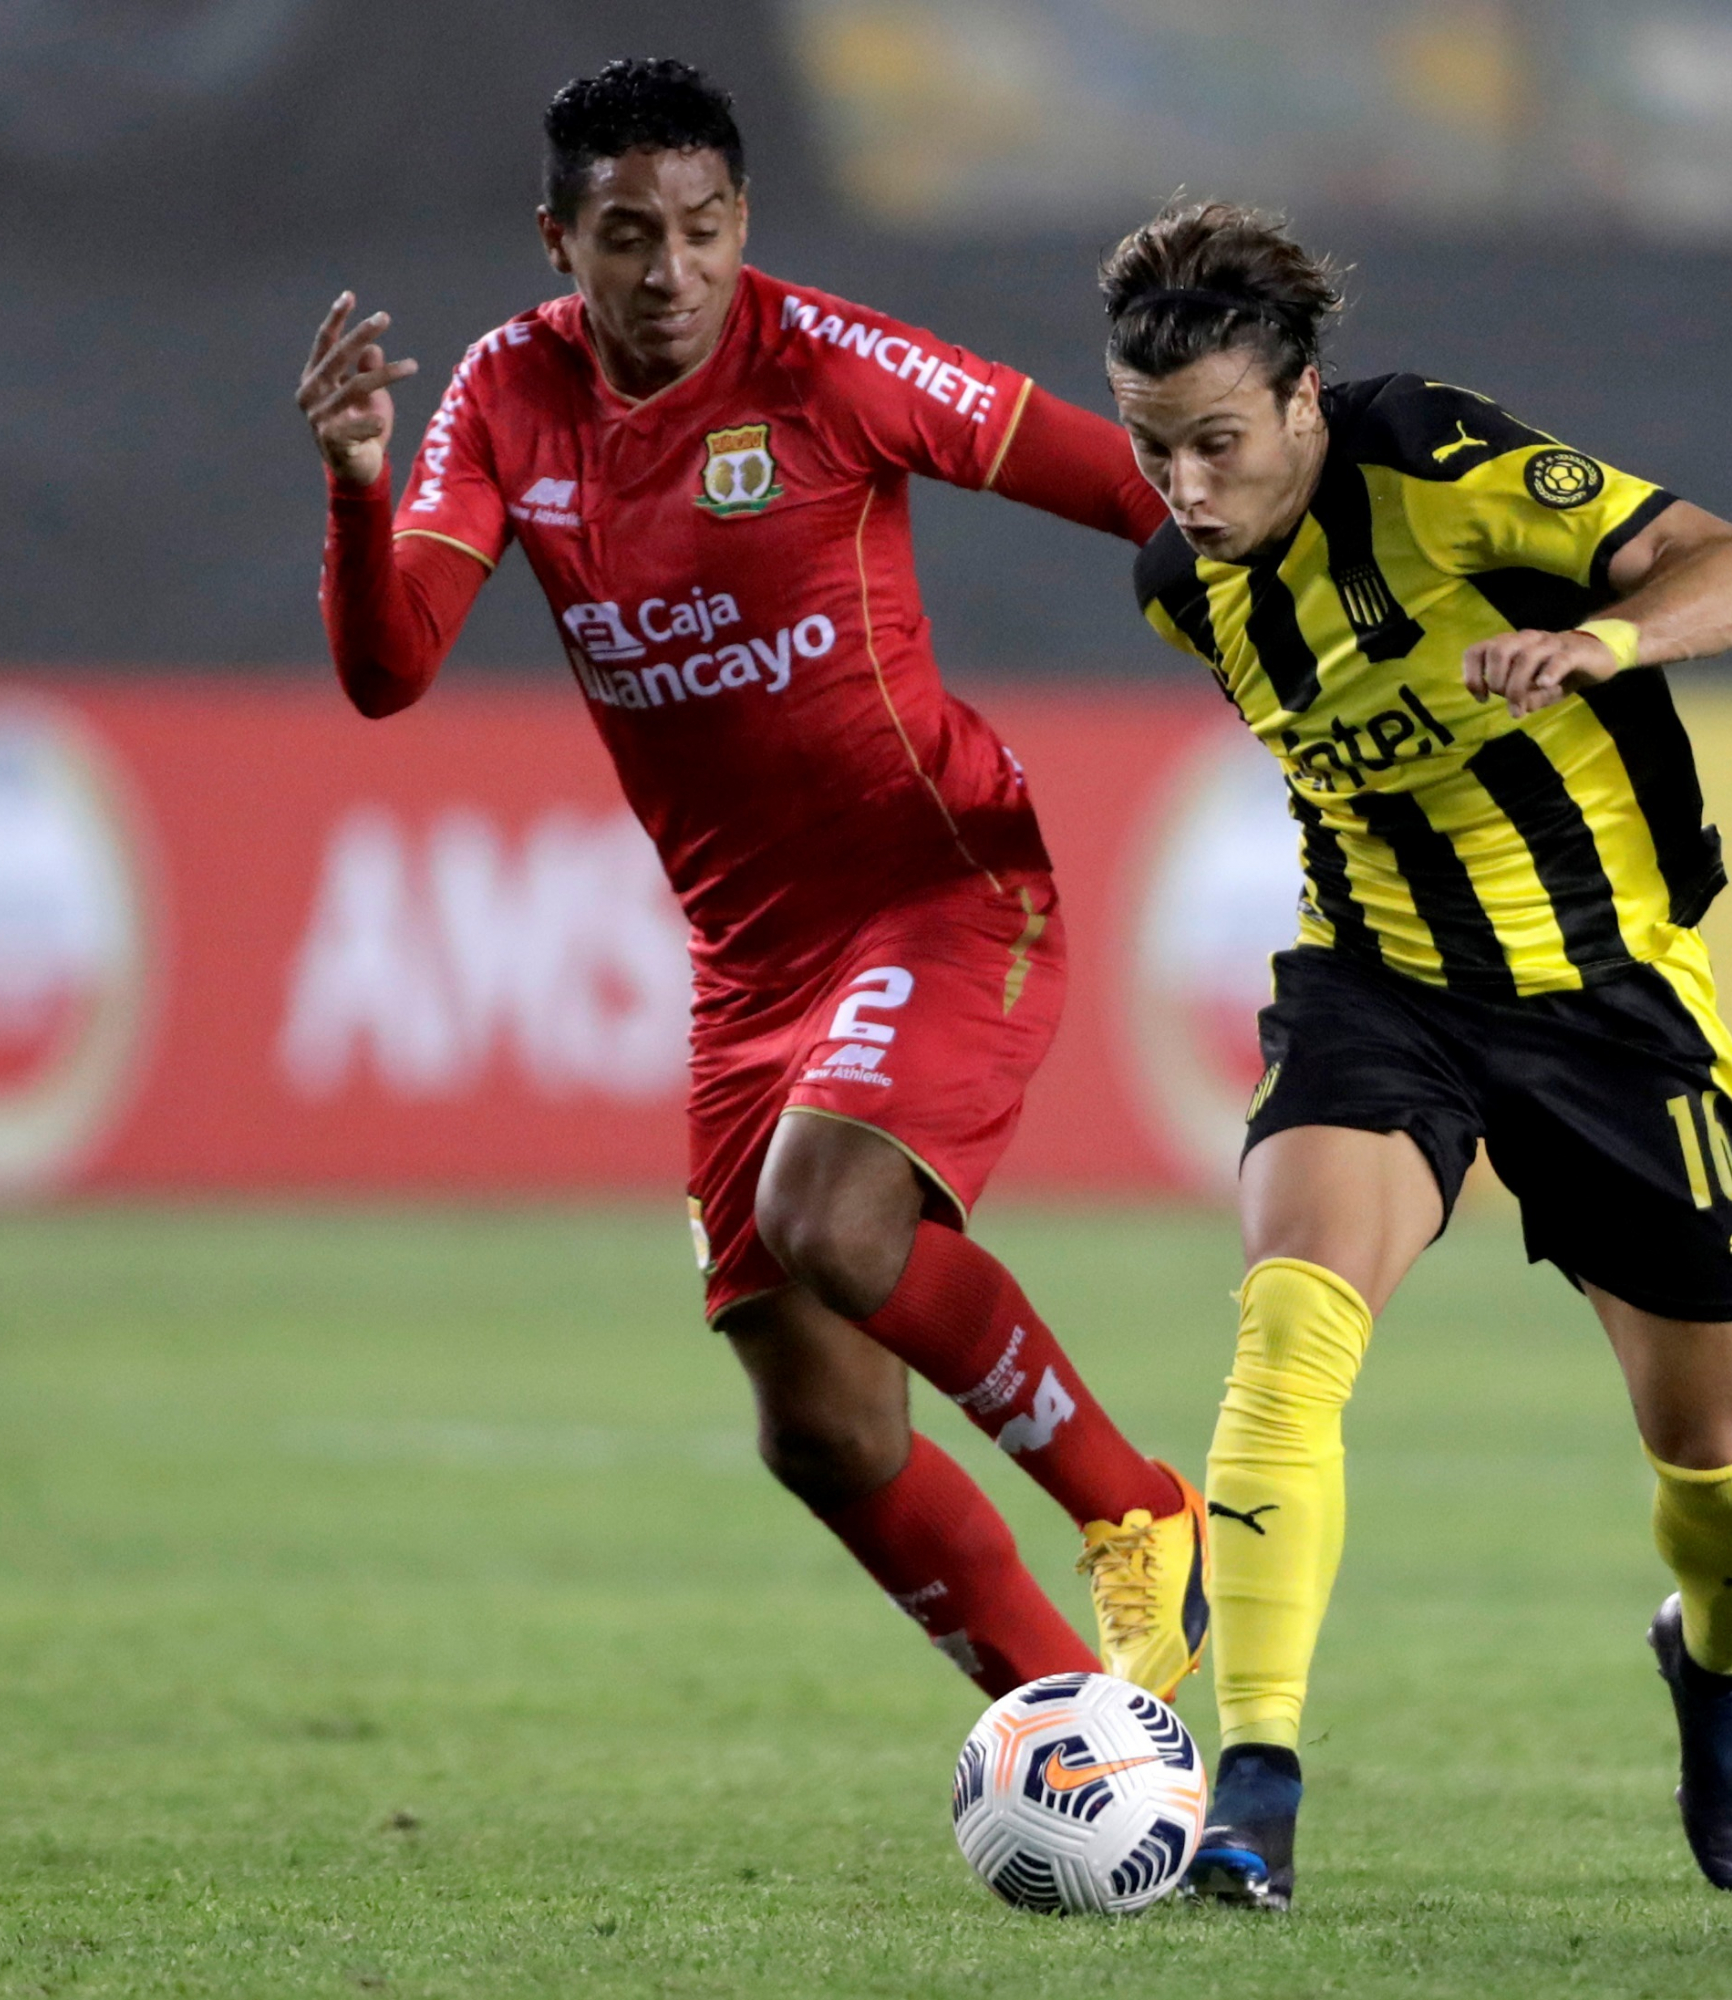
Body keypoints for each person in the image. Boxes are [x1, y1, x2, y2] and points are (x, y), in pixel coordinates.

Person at [293, 59, 1207, 1704]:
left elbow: (1125, 486)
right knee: (821, 1426)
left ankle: (1136, 1508)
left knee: (831, 1216)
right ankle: (1087, 1748)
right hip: (749, 971)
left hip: (942, 888)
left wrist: (1293, 620)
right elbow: (390, 668)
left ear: (742, 224)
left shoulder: (834, 364)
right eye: (627, 235)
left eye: (703, 230)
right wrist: (362, 493)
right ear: (558, 239)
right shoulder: (509, 395)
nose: (670, 273)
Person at [1101, 202, 1732, 1905]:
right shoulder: (1180, 590)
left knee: (1722, 1467)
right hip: (1380, 986)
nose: (1187, 486)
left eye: (1215, 442)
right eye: (1152, 448)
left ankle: (1713, 1661)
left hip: (1607, 1004)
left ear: (1303, 403)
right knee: (1290, 1329)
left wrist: (1601, 639)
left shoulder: (1434, 459)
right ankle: (1250, 1785)